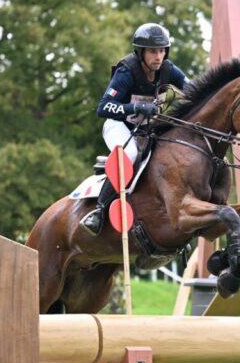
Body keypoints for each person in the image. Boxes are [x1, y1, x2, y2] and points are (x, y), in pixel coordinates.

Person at [79, 22, 190, 236]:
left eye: (161, 51)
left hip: (146, 131)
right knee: (129, 155)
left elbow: (193, 89)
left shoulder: (168, 69)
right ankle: (99, 212)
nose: (158, 57)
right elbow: (102, 108)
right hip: (119, 126)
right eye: (152, 52)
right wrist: (136, 107)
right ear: (141, 52)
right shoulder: (127, 71)